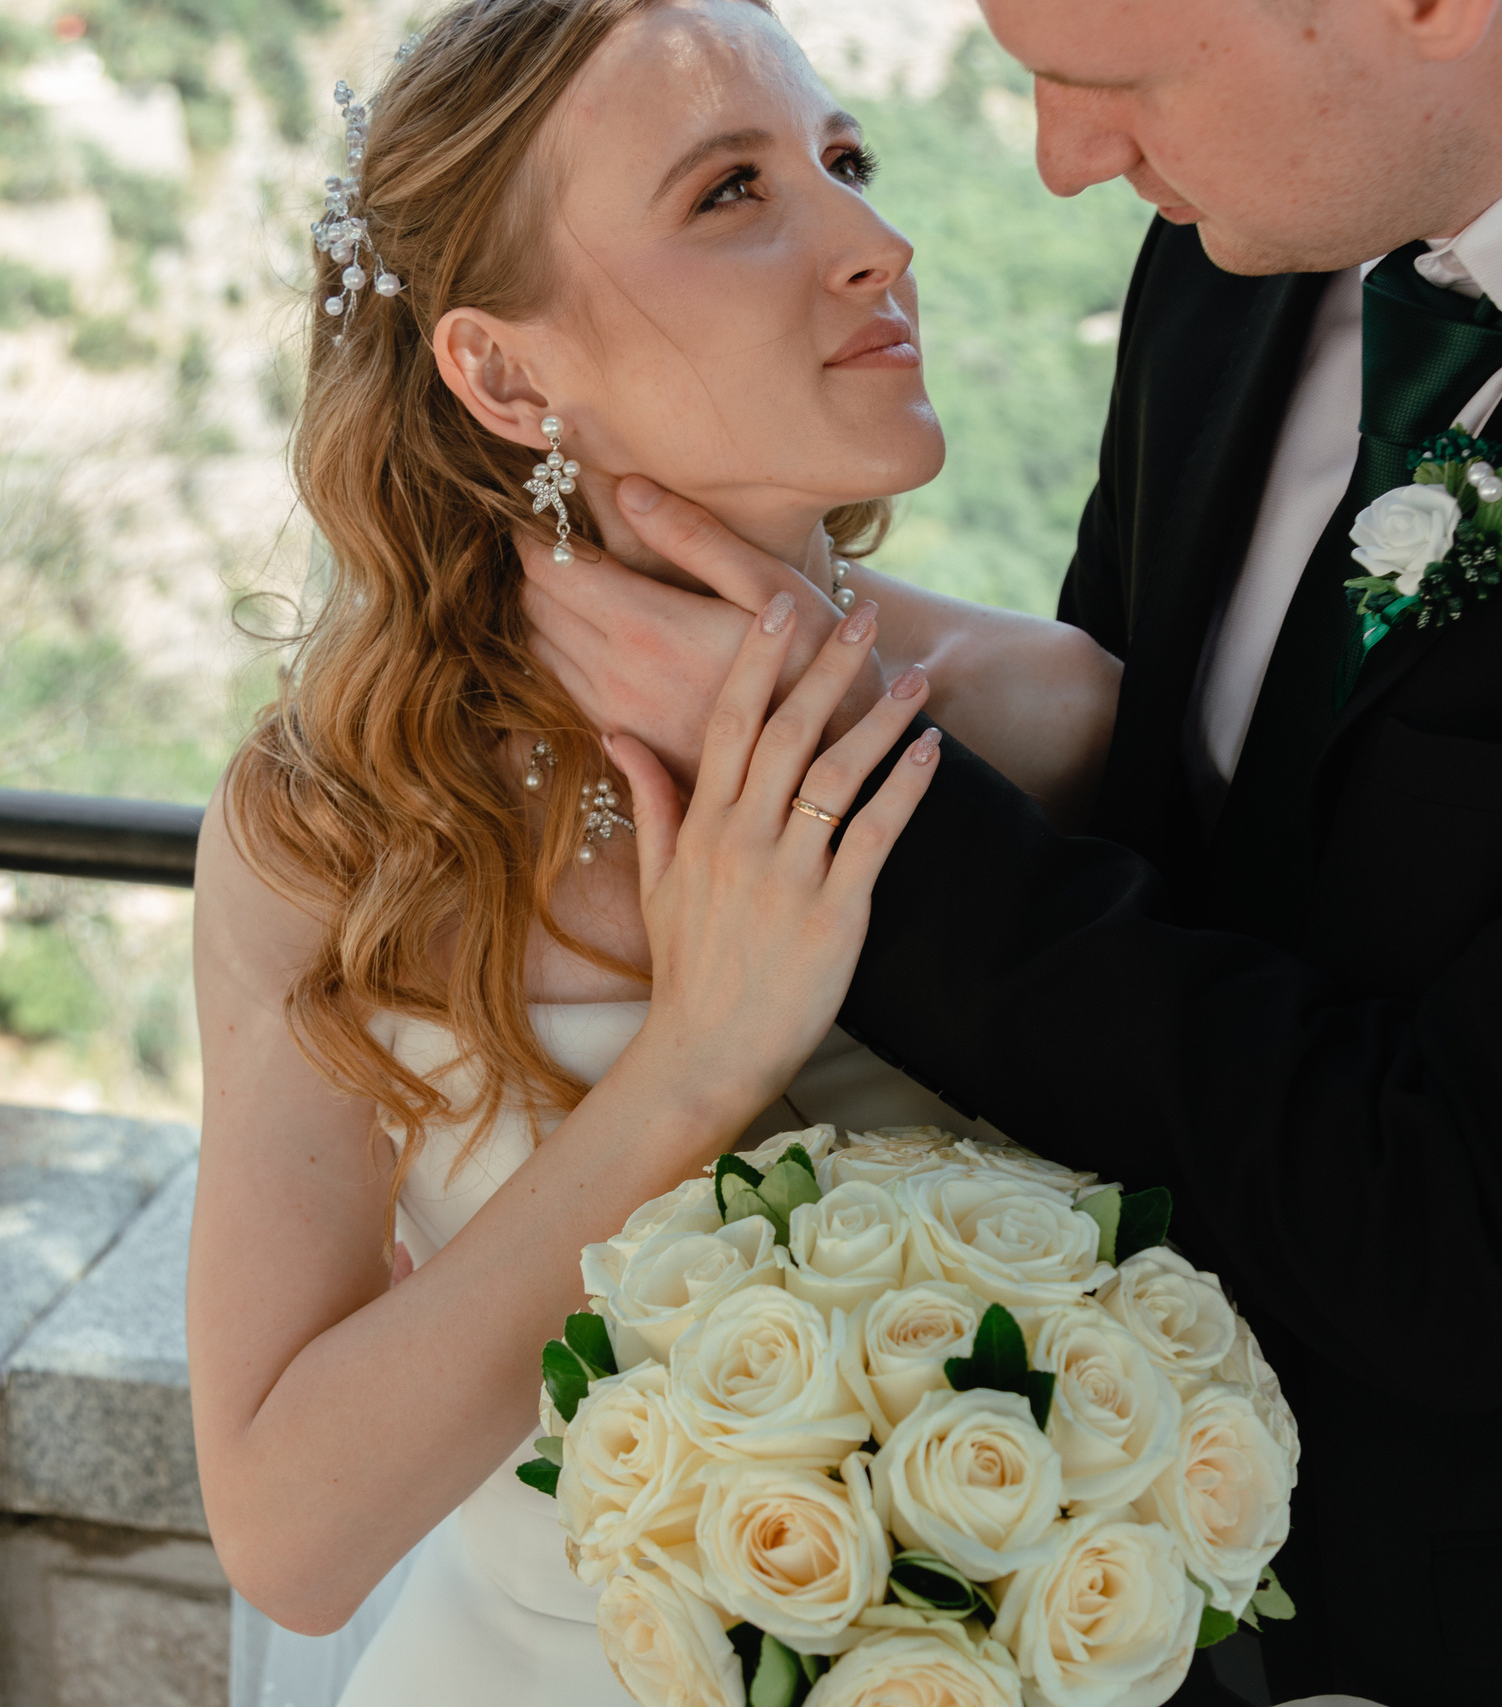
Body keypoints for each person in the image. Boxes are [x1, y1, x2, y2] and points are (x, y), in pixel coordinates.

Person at [524, 0, 1502, 1703]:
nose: (1064, 158)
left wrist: (820, 772)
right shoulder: (1257, 215)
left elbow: (1478, 1233)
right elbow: (1159, 871)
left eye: (1114, 79)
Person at [188, 4, 1138, 1705]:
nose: (878, 241)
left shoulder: (1046, 725)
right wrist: (692, 1069)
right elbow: (289, 1542)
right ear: (503, 371)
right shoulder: (346, 821)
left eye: (847, 161)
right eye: (733, 193)